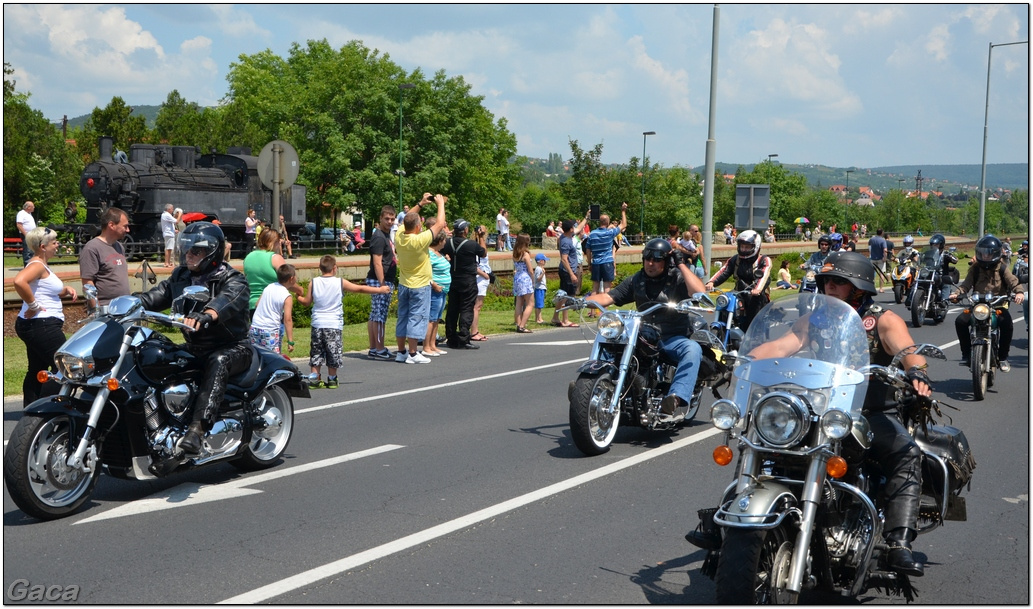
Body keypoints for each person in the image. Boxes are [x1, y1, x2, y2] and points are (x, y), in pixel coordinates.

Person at [742, 251, 932, 577]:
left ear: (858, 286)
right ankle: (736, 520)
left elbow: (906, 350)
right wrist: (742, 358)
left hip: (867, 412)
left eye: (839, 281)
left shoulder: (882, 319)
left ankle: (899, 542)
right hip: (817, 409)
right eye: (827, 280)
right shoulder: (815, 319)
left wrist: (917, 372)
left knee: (905, 453)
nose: (829, 285)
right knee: (758, 434)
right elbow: (782, 346)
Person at [137, 222, 251, 458]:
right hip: (195, 347)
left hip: (233, 347)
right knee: (153, 354)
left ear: (212, 252)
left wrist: (207, 314)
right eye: (187, 250)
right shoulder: (181, 276)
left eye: (196, 251)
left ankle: (197, 430)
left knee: (219, 361)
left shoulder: (233, 279)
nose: (189, 255)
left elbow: (227, 300)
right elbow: (159, 294)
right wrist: (128, 304)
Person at [585, 238, 706, 420]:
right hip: (644, 335)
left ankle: (675, 398)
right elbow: (609, 297)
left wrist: (681, 264)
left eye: (657, 259)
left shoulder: (677, 278)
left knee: (693, 349)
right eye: (648, 258)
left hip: (672, 337)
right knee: (613, 343)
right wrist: (578, 301)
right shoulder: (637, 280)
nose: (651, 263)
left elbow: (699, 292)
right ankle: (590, 387)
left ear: (666, 261)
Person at [298, 254, 391, 387]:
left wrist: (299, 298)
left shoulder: (313, 282)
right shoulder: (339, 282)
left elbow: (307, 302)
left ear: (320, 268)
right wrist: (379, 290)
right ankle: (332, 378)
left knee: (316, 351)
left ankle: (314, 379)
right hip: (333, 324)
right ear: (335, 268)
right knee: (333, 351)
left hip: (317, 323)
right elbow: (359, 288)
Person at [13, 227, 78, 407]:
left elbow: (45, 289)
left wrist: (66, 290)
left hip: (36, 325)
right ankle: (50, 407)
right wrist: (33, 305)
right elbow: (19, 281)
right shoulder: (36, 265)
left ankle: (32, 410)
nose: (58, 245)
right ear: (43, 246)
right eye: (54, 242)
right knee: (65, 367)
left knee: (37, 369)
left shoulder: (42, 265)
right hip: (41, 324)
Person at [951, 235, 1024, 372]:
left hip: (998, 304)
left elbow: (1013, 282)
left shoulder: (1002, 268)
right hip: (978, 305)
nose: (985, 256)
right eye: (982, 252)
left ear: (995, 253)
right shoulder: (975, 268)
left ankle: (1003, 358)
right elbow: (966, 284)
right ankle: (966, 354)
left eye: (988, 253)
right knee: (960, 321)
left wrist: (1019, 292)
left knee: (1007, 324)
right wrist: (957, 293)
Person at [393, 193, 446, 364]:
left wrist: (421, 203)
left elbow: (405, 221)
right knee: (417, 317)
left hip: (404, 283)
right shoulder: (420, 240)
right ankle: (413, 354)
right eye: (420, 225)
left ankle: (401, 352)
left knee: (403, 317)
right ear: (417, 227)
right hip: (420, 285)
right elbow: (440, 224)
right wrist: (440, 204)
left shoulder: (399, 236)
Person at [705, 229, 772, 330]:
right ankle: (720, 328)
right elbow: (724, 271)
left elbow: (764, 275)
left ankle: (752, 333)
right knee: (725, 300)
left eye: (747, 247)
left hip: (756, 294)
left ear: (756, 247)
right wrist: (711, 282)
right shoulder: (735, 259)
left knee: (754, 308)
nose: (744, 249)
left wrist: (757, 289)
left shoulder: (763, 260)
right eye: (742, 246)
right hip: (739, 291)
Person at [442, 219, 488, 349]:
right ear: (465, 230)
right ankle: (463, 337)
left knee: (452, 309)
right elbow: (483, 253)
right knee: (466, 309)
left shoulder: (447, 243)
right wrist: (481, 237)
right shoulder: (471, 245)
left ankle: (451, 338)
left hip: (453, 279)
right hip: (468, 280)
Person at [79, 207, 131, 306]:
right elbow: (87, 282)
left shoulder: (119, 246)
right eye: (125, 226)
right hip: (106, 309)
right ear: (111, 225)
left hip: (123, 307)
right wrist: (97, 309)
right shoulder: (92, 248)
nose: (128, 230)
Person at [366, 206, 398, 360]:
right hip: (380, 280)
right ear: (380, 218)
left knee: (374, 315)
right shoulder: (379, 236)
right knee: (379, 316)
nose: (390, 222)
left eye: (392, 219)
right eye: (387, 219)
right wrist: (382, 284)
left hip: (380, 279)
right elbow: (377, 262)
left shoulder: (385, 235)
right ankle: (379, 349)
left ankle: (374, 348)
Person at [244, 229, 298, 318]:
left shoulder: (248, 257)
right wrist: (300, 290)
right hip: (273, 306)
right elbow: (287, 281)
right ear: (273, 242)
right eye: (278, 241)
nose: (279, 244)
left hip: (253, 305)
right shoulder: (276, 258)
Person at [249, 263, 298, 355]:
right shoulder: (287, 296)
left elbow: (257, 304)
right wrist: (290, 341)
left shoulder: (269, 287)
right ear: (291, 279)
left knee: (256, 356)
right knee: (273, 359)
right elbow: (287, 319)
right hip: (270, 330)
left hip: (255, 327)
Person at [550, 217, 588, 327]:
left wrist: (586, 218)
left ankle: (555, 317)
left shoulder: (566, 235)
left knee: (563, 294)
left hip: (567, 270)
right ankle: (565, 320)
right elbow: (564, 259)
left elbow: (579, 228)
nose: (575, 228)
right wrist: (571, 273)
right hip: (567, 271)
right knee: (567, 296)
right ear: (570, 229)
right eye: (573, 226)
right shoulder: (566, 241)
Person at [585, 203, 628, 298]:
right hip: (607, 262)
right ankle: (604, 311)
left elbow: (588, 249)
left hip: (596, 262)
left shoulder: (592, 234)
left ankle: (593, 310)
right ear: (608, 223)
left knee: (595, 288)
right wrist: (623, 211)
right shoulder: (610, 232)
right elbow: (624, 224)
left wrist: (589, 263)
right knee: (607, 288)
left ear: (600, 222)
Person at [423, 228, 451, 357]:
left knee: (437, 319)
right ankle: (426, 346)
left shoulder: (438, 253)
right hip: (436, 290)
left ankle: (433, 345)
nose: (446, 242)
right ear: (440, 240)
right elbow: (425, 272)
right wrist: (434, 284)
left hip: (443, 290)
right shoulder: (429, 254)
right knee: (431, 319)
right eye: (445, 239)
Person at [512, 233, 535, 333]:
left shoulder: (515, 254)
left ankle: (518, 323)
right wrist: (533, 280)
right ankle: (522, 325)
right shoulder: (525, 254)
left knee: (519, 303)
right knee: (530, 303)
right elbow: (530, 270)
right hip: (525, 278)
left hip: (517, 278)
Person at [929, 233, 959, 300]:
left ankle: (945, 300)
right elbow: (921, 261)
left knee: (946, 284)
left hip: (942, 276)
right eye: (933, 245)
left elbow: (955, 260)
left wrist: (950, 256)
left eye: (936, 245)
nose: (934, 246)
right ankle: (911, 299)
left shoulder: (945, 254)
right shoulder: (929, 254)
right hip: (930, 275)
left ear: (941, 245)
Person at [16, 201, 37, 266]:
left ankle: (31, 265)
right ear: (28, 207)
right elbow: (19, 225)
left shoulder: (29, 214)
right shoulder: (21, 213)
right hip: (26, 235)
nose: (34, 207)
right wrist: (26, 234)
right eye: (33, 206)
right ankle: (27, 266)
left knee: (32, 250)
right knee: (27, 251)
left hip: (32, 235)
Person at [868, 228, 889, 292]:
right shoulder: (882, 240)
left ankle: (871, 287)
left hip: (873, 258)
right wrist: (885, 258)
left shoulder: (872, 239)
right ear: (882, 233)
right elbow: (885, 250)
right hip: (880, 259)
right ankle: (881, 288)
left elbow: (869, 244)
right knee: (881, 273)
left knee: (871, 274)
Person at [533, 253, 549, 324]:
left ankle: (538, 318)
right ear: (540, 261)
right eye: (544, 260)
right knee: (539, 305)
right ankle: (539, 319)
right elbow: (538, 279)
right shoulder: (538, 269)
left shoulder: (540, 268)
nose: (545, 262)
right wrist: (543, 273)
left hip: (541, 288)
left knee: (539, 304)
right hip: (539, 288)